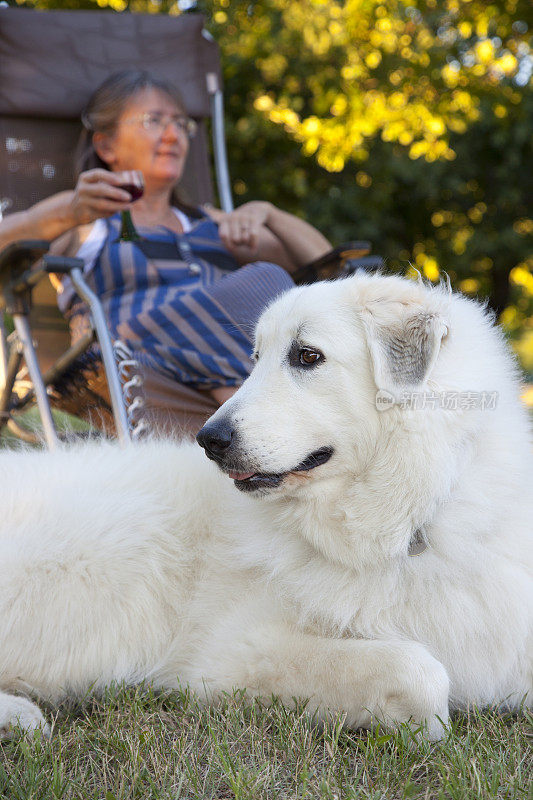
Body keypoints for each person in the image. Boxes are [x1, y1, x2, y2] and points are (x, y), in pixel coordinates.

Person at [0, 70, 331, 433]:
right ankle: (270, 424)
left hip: (191, 391)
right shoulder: (84, 217)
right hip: (123, 366)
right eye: (153, 121)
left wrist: (269, 212)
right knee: (264, 281)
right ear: (106, 146)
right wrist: (66, 212)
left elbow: (329, 267)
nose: (173, 135)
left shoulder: (213, 223)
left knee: (270, 283)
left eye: (180, 123)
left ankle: (242, 415)